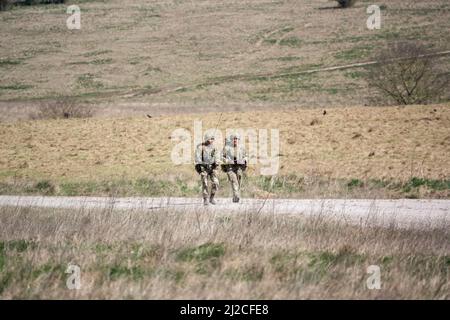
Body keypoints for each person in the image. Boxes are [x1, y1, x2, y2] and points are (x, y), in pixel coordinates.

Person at [195, 133, 221, 205]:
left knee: (216, 183)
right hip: (204, 168)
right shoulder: (201, 147)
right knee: (205, 183)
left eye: (212, 139)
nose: (211, 140)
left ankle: (212, 198)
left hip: (213, 168)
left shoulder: (215, 147)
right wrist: (200, 165)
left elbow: (218, 156)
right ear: (206, 139)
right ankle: (205, 199)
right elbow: (197, 158)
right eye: (210, 139)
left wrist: (217, 162)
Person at [221, 133, 248, 203]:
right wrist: (227, 160)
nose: (235, 140)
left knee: (238, 180)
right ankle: (236, 195)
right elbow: (221, 156)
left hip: (239, 167)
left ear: (238, 140)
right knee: (234, 180)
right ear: (231, 140)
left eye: (236, 139)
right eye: (234, 139)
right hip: (230, 167)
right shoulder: (227, 148)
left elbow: (246, 156)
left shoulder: (242, 147)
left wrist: (244, 159)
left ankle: (235, 196)